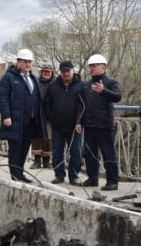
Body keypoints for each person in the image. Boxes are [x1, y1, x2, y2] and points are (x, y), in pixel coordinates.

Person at [0, 49, 47, 183]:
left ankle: (20, 172)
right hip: (15, 120)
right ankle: (14, 174)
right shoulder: (8, 78)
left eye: (30, 62)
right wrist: (6, 116)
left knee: (25, 148)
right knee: (15, 148)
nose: (28, 64)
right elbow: (3, 98)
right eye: (25, 62)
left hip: (30, 121)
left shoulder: (33, 78)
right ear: (18, 62)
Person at [78, 54, 122, 191]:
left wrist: (103, 91)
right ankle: (92, 178)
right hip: (89, 124)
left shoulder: (111, 82)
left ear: (103, 67)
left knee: (108, 153)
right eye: (90, 66)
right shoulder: (86, 84)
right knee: (90, 153)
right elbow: (81, 104)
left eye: (95, 66)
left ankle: (112, 181)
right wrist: (79, 121)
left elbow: (117, 97)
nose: (92, 68)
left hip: (104, 124)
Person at [44, 61, 85, 185]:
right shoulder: (52, 86)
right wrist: (51, 118)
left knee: (76, 151)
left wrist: (80, 121)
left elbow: (83, 106)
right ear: (60, 72)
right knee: (57, 151)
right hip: (57, 126)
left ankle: (74, 176)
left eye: (68, 71)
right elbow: (46, 104)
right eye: (63, 71)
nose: (66, 73)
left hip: (75, 126)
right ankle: (59, 175)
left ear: (73, 70)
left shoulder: (81, 86)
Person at [30, 64, 56, 169]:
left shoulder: (55, 84)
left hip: (49, 115)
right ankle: (37, 161)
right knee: (36, 138)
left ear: (52, 73)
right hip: (36, 114)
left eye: (48, 72)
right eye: (44, 71)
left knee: (48, 138)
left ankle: (46, 161)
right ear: (41, 72)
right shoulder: (36, 83)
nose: (46, 73)